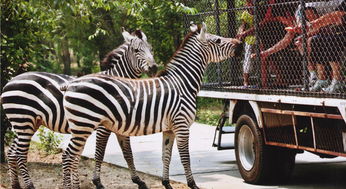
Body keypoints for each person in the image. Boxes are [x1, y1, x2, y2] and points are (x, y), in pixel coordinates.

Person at [252, 6, 320, 88]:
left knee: (309, 41)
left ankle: (317, 78)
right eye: (307, 15)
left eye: (311, 15)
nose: (309, 17)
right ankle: (313, 77)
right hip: (310, 46)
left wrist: (304, 36)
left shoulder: (321, 21)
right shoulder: (302, 24)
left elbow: (318, 29)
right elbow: (285, 41)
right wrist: (266, 53)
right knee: (300, 43)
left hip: (323, 42)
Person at [294, 0, 345, 93]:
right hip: (339, 32)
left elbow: (335, 16)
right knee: (316, 40)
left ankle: (338, 80)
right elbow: (336, 16)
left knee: (330, 39)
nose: (309, 16)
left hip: (341, 34)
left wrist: (314, 24)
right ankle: (322, 80)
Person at [236, 0, 276, 88]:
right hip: (249, 38)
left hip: (260, 37)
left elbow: (261, 25)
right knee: (247, 60)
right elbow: (243, 25)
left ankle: (264, 80)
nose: (249, 4)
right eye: (248, 3)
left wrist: (245, 32)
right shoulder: (245, 14)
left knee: (262, 58)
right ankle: (245, 81)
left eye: (251, 2)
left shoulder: (260, 11)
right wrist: (241, 33)